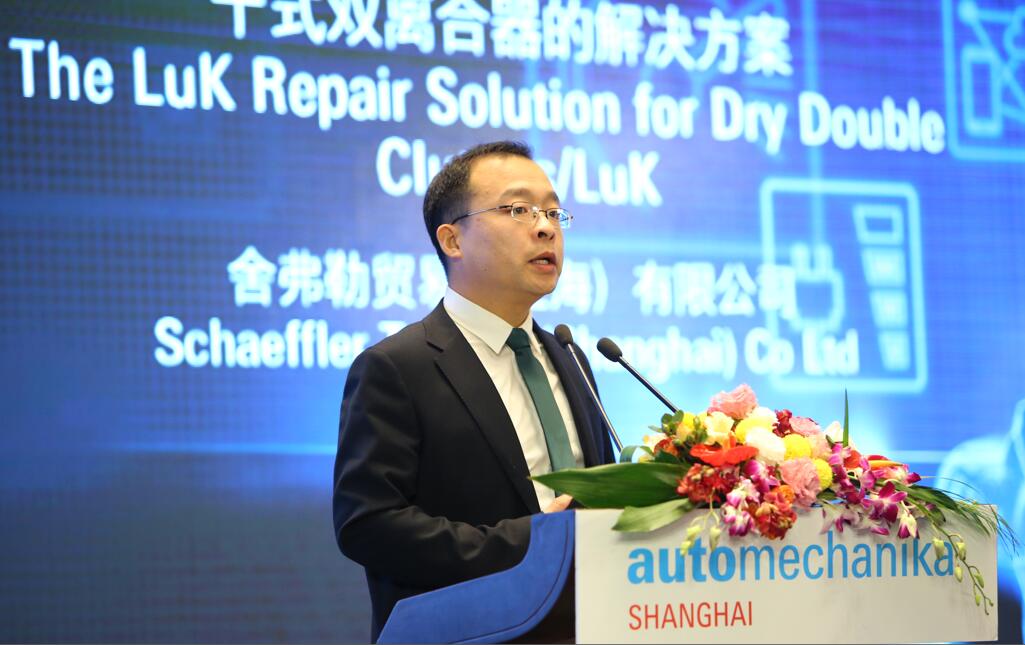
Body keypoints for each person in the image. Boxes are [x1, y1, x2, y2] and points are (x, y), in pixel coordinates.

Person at [332, 141, 615, 641]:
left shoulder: (571, 358)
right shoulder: (397, 367)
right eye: (518, 209)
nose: (546, 227)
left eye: (553, 212)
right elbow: (369, 524)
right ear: (452, 240)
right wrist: (535, 543)